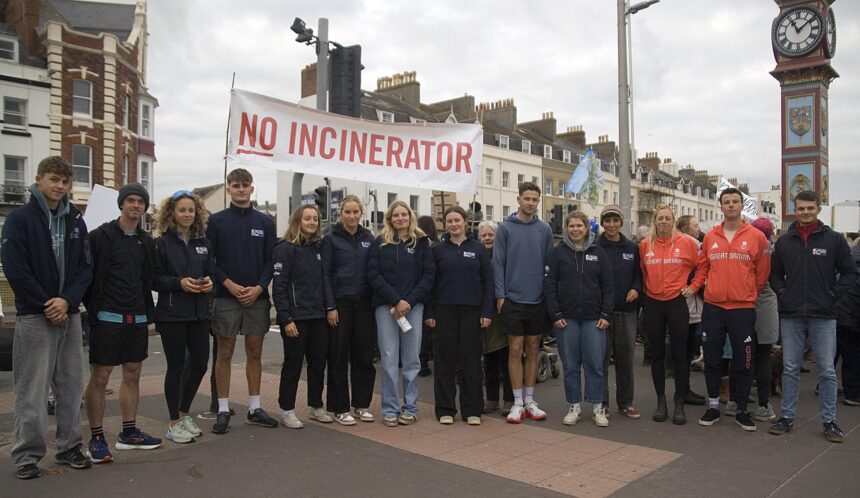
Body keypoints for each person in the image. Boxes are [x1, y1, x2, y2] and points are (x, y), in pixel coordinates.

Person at [1, 156, 92, 479]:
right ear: (39, 179)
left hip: (69, 314)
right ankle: (27, 454)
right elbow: (15, 268)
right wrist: (46, 303)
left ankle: (69, 446)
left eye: (65, 182)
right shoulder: (20, 219)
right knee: (32, 389)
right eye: (54, 179)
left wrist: (66, 300)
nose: (59, 186)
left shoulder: (75, 221)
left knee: (70, 386)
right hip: (34, 316)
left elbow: (85, 268)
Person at [769, 190, 858, 442]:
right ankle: (787, 417)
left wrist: (833, 295)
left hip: (824, 315)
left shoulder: (834, 240)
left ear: (818, 208)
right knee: (789, 368)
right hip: (792, 314)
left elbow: (850, 273)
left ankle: (829, 421)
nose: (805, 212)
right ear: (794, 210)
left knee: (828, 371)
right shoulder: (785, 241)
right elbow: (774, 274)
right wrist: (783, 292)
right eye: (800, 208)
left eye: (810, 208)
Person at [85, 182, 161, 463]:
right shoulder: (100, 236)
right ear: (121, 204)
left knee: (133, 372)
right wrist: (91, 308)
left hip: (137, 317)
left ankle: (129, 433)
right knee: (101, 375)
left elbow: (149, 279)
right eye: (130, 200)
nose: (135, 206)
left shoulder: (146, 242)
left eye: (140, 202)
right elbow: (88, 276)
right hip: (107, 317)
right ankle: (96, 438)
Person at [206, 169, 279, 434]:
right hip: (226, 296)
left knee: (254, 353)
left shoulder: (266, 222)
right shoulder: (216, 222)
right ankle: (223, 409)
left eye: (245, 185)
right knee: (223, 353)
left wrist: (259, 288)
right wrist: (229, 284)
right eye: (235, 185)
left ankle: (255, 407)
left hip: (256, 298)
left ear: (252, 188)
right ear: (228, 189)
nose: (240, 189)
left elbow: (272, 260)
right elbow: (210, 261)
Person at [695, 188, 771, 432]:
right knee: (713, 359)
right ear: (721, 206)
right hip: (714, 308)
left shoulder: (757, 236)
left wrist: (747, 294)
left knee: (744, 360)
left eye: (735, 201)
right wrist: (696, 287)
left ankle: (741, 410)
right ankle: (714, 405)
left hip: (742, 309)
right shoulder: (710, 237)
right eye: (726, 202)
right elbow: (703, 267)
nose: (730, 205)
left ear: (741, 205)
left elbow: (762, 274)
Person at [152, 190, 216, 443]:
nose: (187, 214)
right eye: (182, 210)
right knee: (176, 367)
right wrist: (180, 283)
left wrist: (211, 283)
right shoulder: (161, 244)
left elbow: (212, 272)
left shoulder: (204, 243)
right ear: (172, 213)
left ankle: (184, 413)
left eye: (191, 210)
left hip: (199, 313)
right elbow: (154, 279)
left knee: (200, 364)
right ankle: (173, 422)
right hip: (171, 314)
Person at [367, 201, 434, 427]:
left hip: (413, 309)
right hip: (386, 308)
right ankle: (390, 408)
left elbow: (428, 276)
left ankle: (411, 407)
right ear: (390, 219)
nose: (400, 218)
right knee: (388, 359)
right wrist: (395, 300)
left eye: (404, 214)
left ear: (410, 216)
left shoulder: (422, 243)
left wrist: (408, 302)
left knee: (412, 360)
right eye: (396, 215)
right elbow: (373, 275)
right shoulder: (380, 243)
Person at [424, 206, 494, 425]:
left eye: (457, 220)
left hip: (472, 311)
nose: (454, 224)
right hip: (444, 311)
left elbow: (488, 282)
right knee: (444, 362)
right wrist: (430, 312)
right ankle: (445, 409)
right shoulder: (437, 250)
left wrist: (486, 311)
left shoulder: (479, 249)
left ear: (465, 222)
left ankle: (472, 409)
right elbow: (430, 284)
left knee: (471, 361)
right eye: (449, 221)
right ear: (445, 224)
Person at [493, 182, 554, 423]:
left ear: (538, 202)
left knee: (533, 350)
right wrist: (500, 296)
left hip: (537, 300)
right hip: (513, 300)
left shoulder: (545, 229)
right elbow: (498, 264)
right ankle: (517, 402)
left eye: (534, 199)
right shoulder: (505, 228)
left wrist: (549, 296)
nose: (530, 202)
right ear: (518, 200)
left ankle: (530, 399)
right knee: (515, 351)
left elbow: (550, 265)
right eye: (526, 198)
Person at [546, 211, 614, 427]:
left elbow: (608, 286)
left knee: (594, 364)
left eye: (579, 226)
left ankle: (597, 407)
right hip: (566, 320)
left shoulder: (598, 253)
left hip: (594, 320)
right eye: (572, 226)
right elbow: (549, 287)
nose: (575, 229)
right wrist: (556, 314)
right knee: (571, 366)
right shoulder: (558, 253)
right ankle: (574, 405)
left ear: (587, 229)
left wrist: (605, 314)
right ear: (567, 228)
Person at [639, 204, 704, 425]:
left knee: (679, 353)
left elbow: (703, 265)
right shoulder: (646, 244)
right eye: (660, 218)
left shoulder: (686, 243)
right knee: (657, 355)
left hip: (677, 302)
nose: (664, 222)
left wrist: (694, 286)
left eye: (668, 218)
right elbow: (643, 270)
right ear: (655, 222)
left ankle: (679, 402)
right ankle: (661, 402)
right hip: (654, 303)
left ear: (673, 221)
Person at [273, 205, 330, 429]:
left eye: (315, 218)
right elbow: (279, 287)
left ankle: (316, 405)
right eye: (307, 218)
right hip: (296, 318)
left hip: (318, 316)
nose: (312, 222)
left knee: (318, 363)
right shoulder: (285, 249)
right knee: (293, 365)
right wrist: (286, 319)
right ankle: (287, 410)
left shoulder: (319, 247)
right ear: (298, 220)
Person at [322, 195, 376, 425]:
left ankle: (361, 405)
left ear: (361, 213)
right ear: (340, 214)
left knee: (364, 357)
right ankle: (339, 407)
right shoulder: (331, 239)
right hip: (340, 305)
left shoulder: (369, 238)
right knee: (338, 357)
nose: (352, 216)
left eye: (356, 212)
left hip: (364, 305)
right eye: (347, 212)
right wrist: (330, 306)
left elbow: (374, 271)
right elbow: (325, 274)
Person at [597, 205, 642, 419]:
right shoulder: (595, 246)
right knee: (601, 359)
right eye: (607, 221)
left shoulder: (632, 247)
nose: (612, 225)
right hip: (602, 314)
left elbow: (639, 275)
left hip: (627, 311)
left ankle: (625, 402)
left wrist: (635, 288)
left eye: (615, 221)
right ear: (603, 223)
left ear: (621, 223)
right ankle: (602, 403)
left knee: (625, 359)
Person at [478, 221, 514, 415]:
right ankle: (491, 399)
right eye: (483, 235)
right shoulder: (478, 255)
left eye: (491, 234)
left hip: (502, 312)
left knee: (506, 358)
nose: (487, 238)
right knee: (489, 359)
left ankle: (509, 400)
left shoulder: (504, 255)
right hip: (485, 313)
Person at [749, 217, 779, 422]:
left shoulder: (751, 247)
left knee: (742, 356)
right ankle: (763, 403)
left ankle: (736, 400)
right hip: (764, 304)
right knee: (763, 356)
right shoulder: (773, 252)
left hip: (744, 301)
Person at [676, 215, 707, 405]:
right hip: (688, 302)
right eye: (695, 225)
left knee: (685, 350)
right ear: (685, 228)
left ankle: (683, 388)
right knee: (685, 349)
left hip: (688, 302)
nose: (698, 228)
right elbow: (695, 271)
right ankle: (683, 390)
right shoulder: (693, 244)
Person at [836, 236, 860, 406]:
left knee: (833, 352)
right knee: (852, 356)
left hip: (838, 310)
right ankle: (852, 393)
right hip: (851, 315)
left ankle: (822, 386)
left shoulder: (849, 258)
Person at [417, 215, 439, 377]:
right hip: (436, 291)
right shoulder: (437, 246)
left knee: (423, 329)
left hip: (420, 292)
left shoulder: (417, 246)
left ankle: (422, 361)